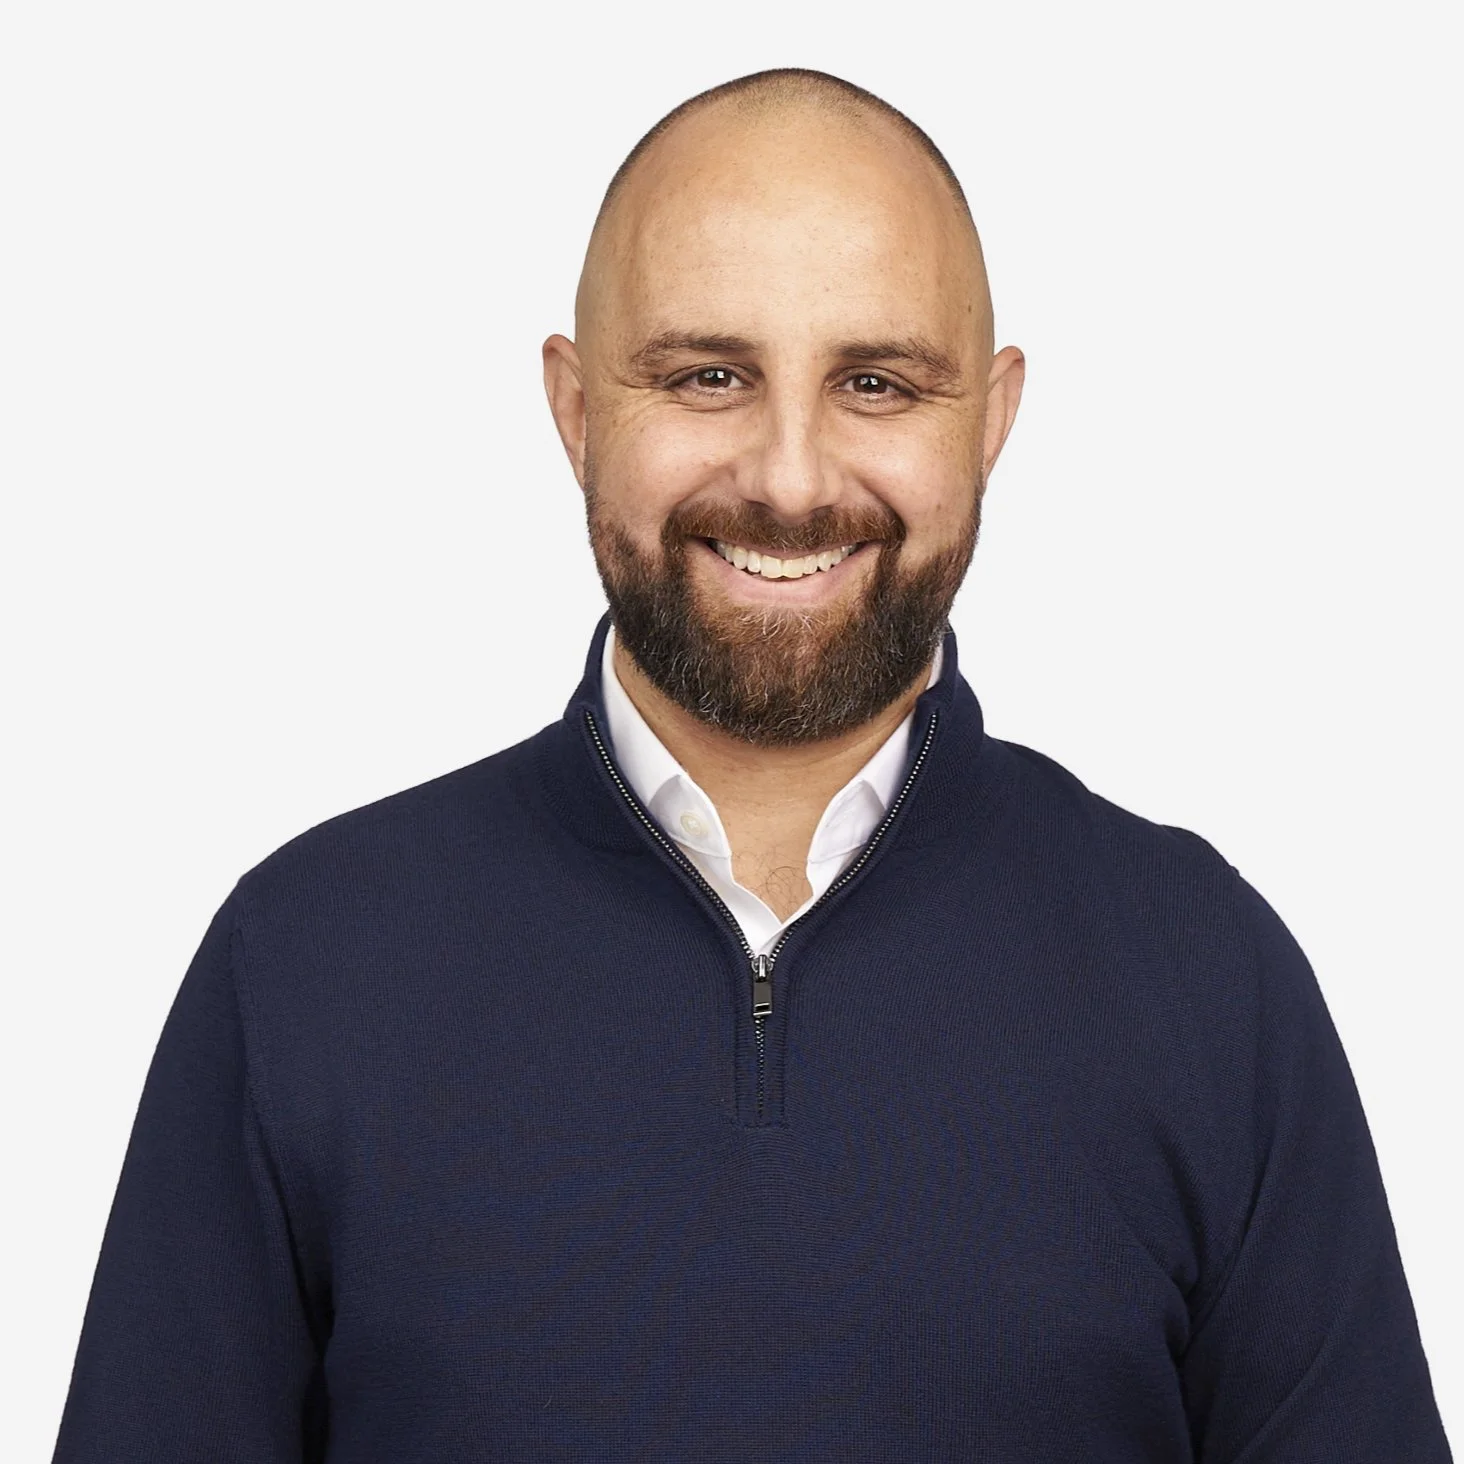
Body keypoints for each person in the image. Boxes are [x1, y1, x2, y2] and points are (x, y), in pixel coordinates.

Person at [51, 67, 1452, 1462]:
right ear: (576, 410)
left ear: (992, 419)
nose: (790, 478)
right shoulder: (307, 960)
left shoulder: (1203, 974)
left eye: (877, 383)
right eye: (707, 377)